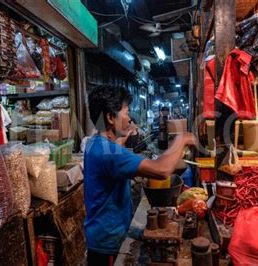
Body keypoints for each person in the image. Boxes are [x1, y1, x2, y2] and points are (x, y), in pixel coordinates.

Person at [84, 85, 196, 265]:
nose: (129, 118)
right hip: (108, 243)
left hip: (98, 234)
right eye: (126, 113)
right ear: (110, 117)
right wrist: (181, 139)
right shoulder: (110, 154)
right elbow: (162, 170)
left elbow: (113, 157)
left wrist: (123, 135)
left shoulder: (94, 143)